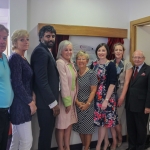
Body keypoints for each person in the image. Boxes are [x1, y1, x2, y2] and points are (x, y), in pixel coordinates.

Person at [31, 25, 60, 150]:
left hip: (48, 102)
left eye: (53, 36)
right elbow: (41, 81)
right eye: (48, 36)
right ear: (41, 37)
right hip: (46, 103)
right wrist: (53, 103)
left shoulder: (47, 51)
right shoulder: (40, 52)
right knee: (45, 135)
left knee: (47, 135)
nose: (51, 39)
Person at [8, 29, 37, 150]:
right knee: (27, 141)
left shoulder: (22, 58)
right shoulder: (15, 58)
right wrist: (31, 102)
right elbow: (17, 84)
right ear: (15, 42)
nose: (26, 42)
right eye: (22, 39)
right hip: (20, 105)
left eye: (27, 39)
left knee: (17, 139)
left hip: (21, 103)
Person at [91, 43, 118, 150]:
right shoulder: (94, 64)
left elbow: (112, 83)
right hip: (96, 97)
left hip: (107, 97)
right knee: (102, 122)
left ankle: (98, 146)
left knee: (104, 122)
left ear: (107, 52)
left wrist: (106, 100)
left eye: (103, 50)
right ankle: (106, 142)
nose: (101, 53)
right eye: (99, 50)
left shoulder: (110, 65)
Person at [55, 40, 78, 150]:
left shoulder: (70, 62)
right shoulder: (60, 62)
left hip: (71, 97)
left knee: (69, 124)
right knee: (61, 126)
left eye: (70, 50)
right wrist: (67, 102)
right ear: (61, 51)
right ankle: (61, 147)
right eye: (66, 50)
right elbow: (63, 84)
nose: (69, 52)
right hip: (64, 99)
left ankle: (67, 147)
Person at [125, 50, 150, 150]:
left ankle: (140, 147)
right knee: (131, 128)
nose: (137, 59)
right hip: (130, 104)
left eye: (139, 57)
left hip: (142, 105)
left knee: (141, 128)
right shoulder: (130, 69)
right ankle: (132, 146)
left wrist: (148, 106)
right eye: (135, 57)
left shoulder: (148, 70)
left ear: (144, 58)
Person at [73, 51, 98, 150]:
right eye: (79, 58)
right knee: (80, 127)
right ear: (76, 61)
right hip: (77, 104)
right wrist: (77, 102)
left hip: (88, 104)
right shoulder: (75, 73)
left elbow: (93, 90)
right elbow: (72, 90)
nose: (81, 61)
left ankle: (87, 148)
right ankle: (84, 146)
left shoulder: (92, 73)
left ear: (87, 61)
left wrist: (87, 103)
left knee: (87, 128)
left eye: (83, 59)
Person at [110, 43, 133, 148]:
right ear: (113, 51)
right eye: (116, 50)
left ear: (123, 52)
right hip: (110, 94)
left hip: (120, 93)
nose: (118, 52)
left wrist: (122, 97)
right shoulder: (110, 63)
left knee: (117, 118)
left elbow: (127, 82)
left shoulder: (127, 64)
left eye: (120, 50)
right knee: (111, 119)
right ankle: (116, 138)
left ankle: (120, 138)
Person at [0, 24, 14, 150]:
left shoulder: (4, 57)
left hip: (5, 111)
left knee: (4, 143)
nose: (2, 41)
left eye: (4, 38)